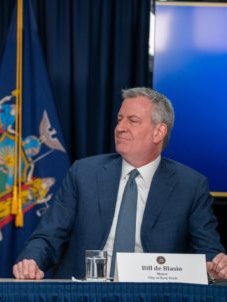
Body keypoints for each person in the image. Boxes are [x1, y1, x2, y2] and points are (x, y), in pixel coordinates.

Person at [13, 87, 227, 280]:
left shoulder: (190, 185)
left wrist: (218, 264)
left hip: (153, 300)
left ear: (158, 132)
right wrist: (32, 260)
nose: (120, 128)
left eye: (132, 121)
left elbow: (207, 250)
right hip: (85, 297)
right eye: (119, 119)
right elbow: (48, 235)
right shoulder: (84, 173)